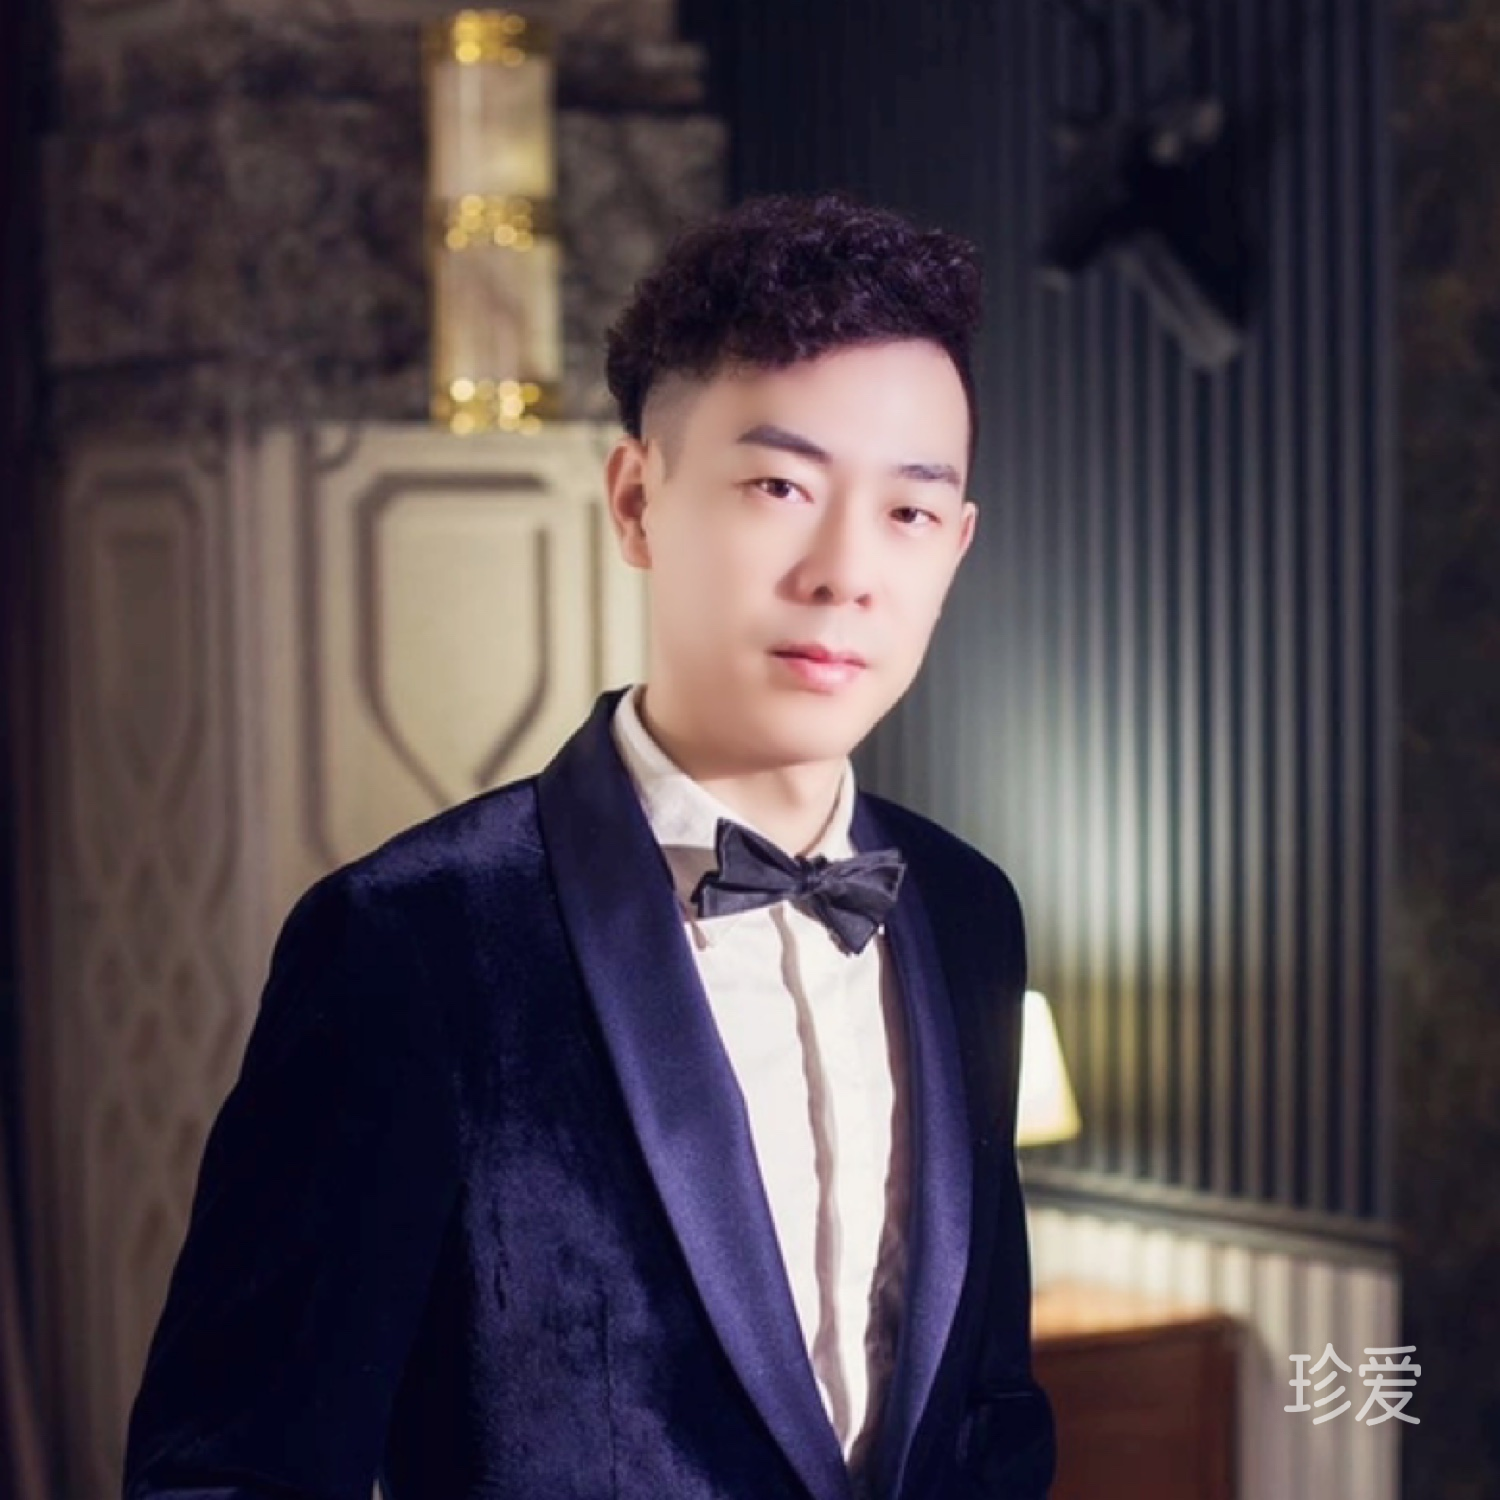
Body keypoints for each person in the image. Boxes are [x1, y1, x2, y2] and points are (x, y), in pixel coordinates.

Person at [122, 192, 1056, 1500]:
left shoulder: (967, 912)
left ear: (955, 546)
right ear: (635, 500)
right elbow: (233, 1471)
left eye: (908, 511)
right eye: (780, 486)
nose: (845, 572)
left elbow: (990, 1418)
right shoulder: (408, 941)